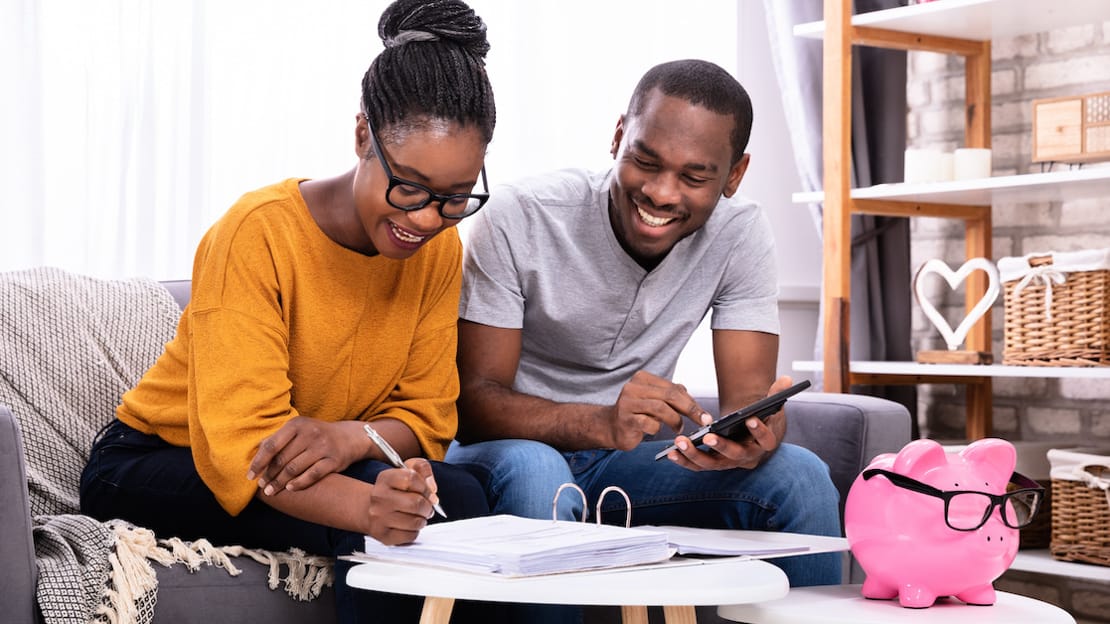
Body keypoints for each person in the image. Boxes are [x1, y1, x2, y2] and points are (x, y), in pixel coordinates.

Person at [79, 1, 498, 622]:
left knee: (463, 492)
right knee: (371, 520)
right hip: (157, 461)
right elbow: (241, 448)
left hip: (321, 453)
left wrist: (345, 437)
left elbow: (430, 416)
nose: (425, 219)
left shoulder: (439, 251)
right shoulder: (256, 234)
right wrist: (365, 509)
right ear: (363, 136)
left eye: (455, 198)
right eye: (407, 186)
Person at [447, 59, 842, 607]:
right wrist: (603, 421)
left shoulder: (741, 234)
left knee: (799, 474)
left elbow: (746, 402)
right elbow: (473, 404)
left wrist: (753, 438)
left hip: (627, 467)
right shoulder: (523, 214)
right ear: (617, 137)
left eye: (694, 176)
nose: (660, 192)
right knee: (538, 470)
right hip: (504, 452)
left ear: (734, 175)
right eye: (644, 161)